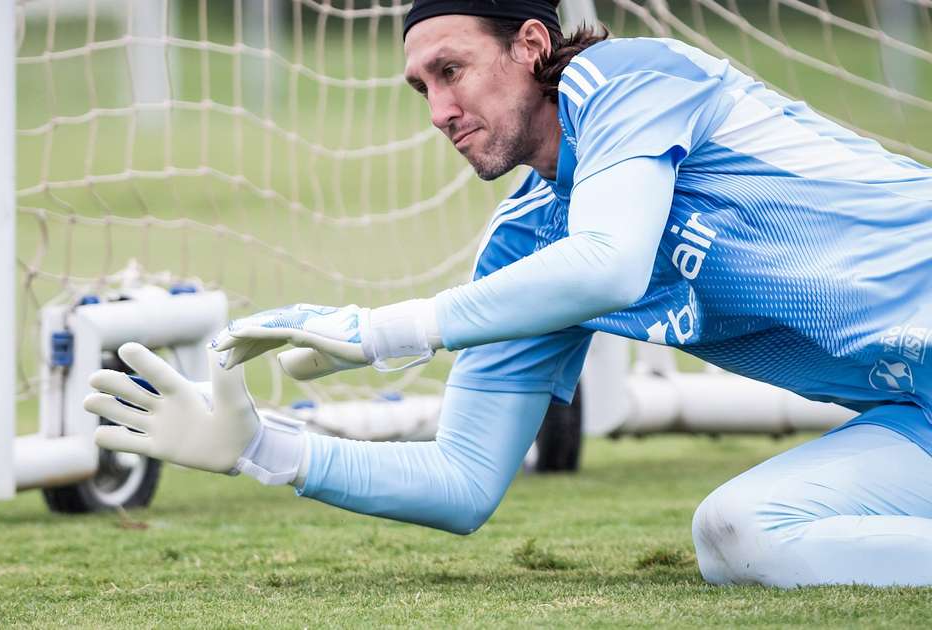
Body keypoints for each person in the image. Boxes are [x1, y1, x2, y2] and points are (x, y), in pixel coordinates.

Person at [84, 0, 932, 587]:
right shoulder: (527, 245)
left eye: (452, 71)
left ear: (531, 45)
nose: (439, 111)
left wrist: (384, 329)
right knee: (736, 534)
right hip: (918, 415)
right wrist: (261, 450)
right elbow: (461, 481)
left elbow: (610, 265)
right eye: (422, 88)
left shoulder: (632, 80)